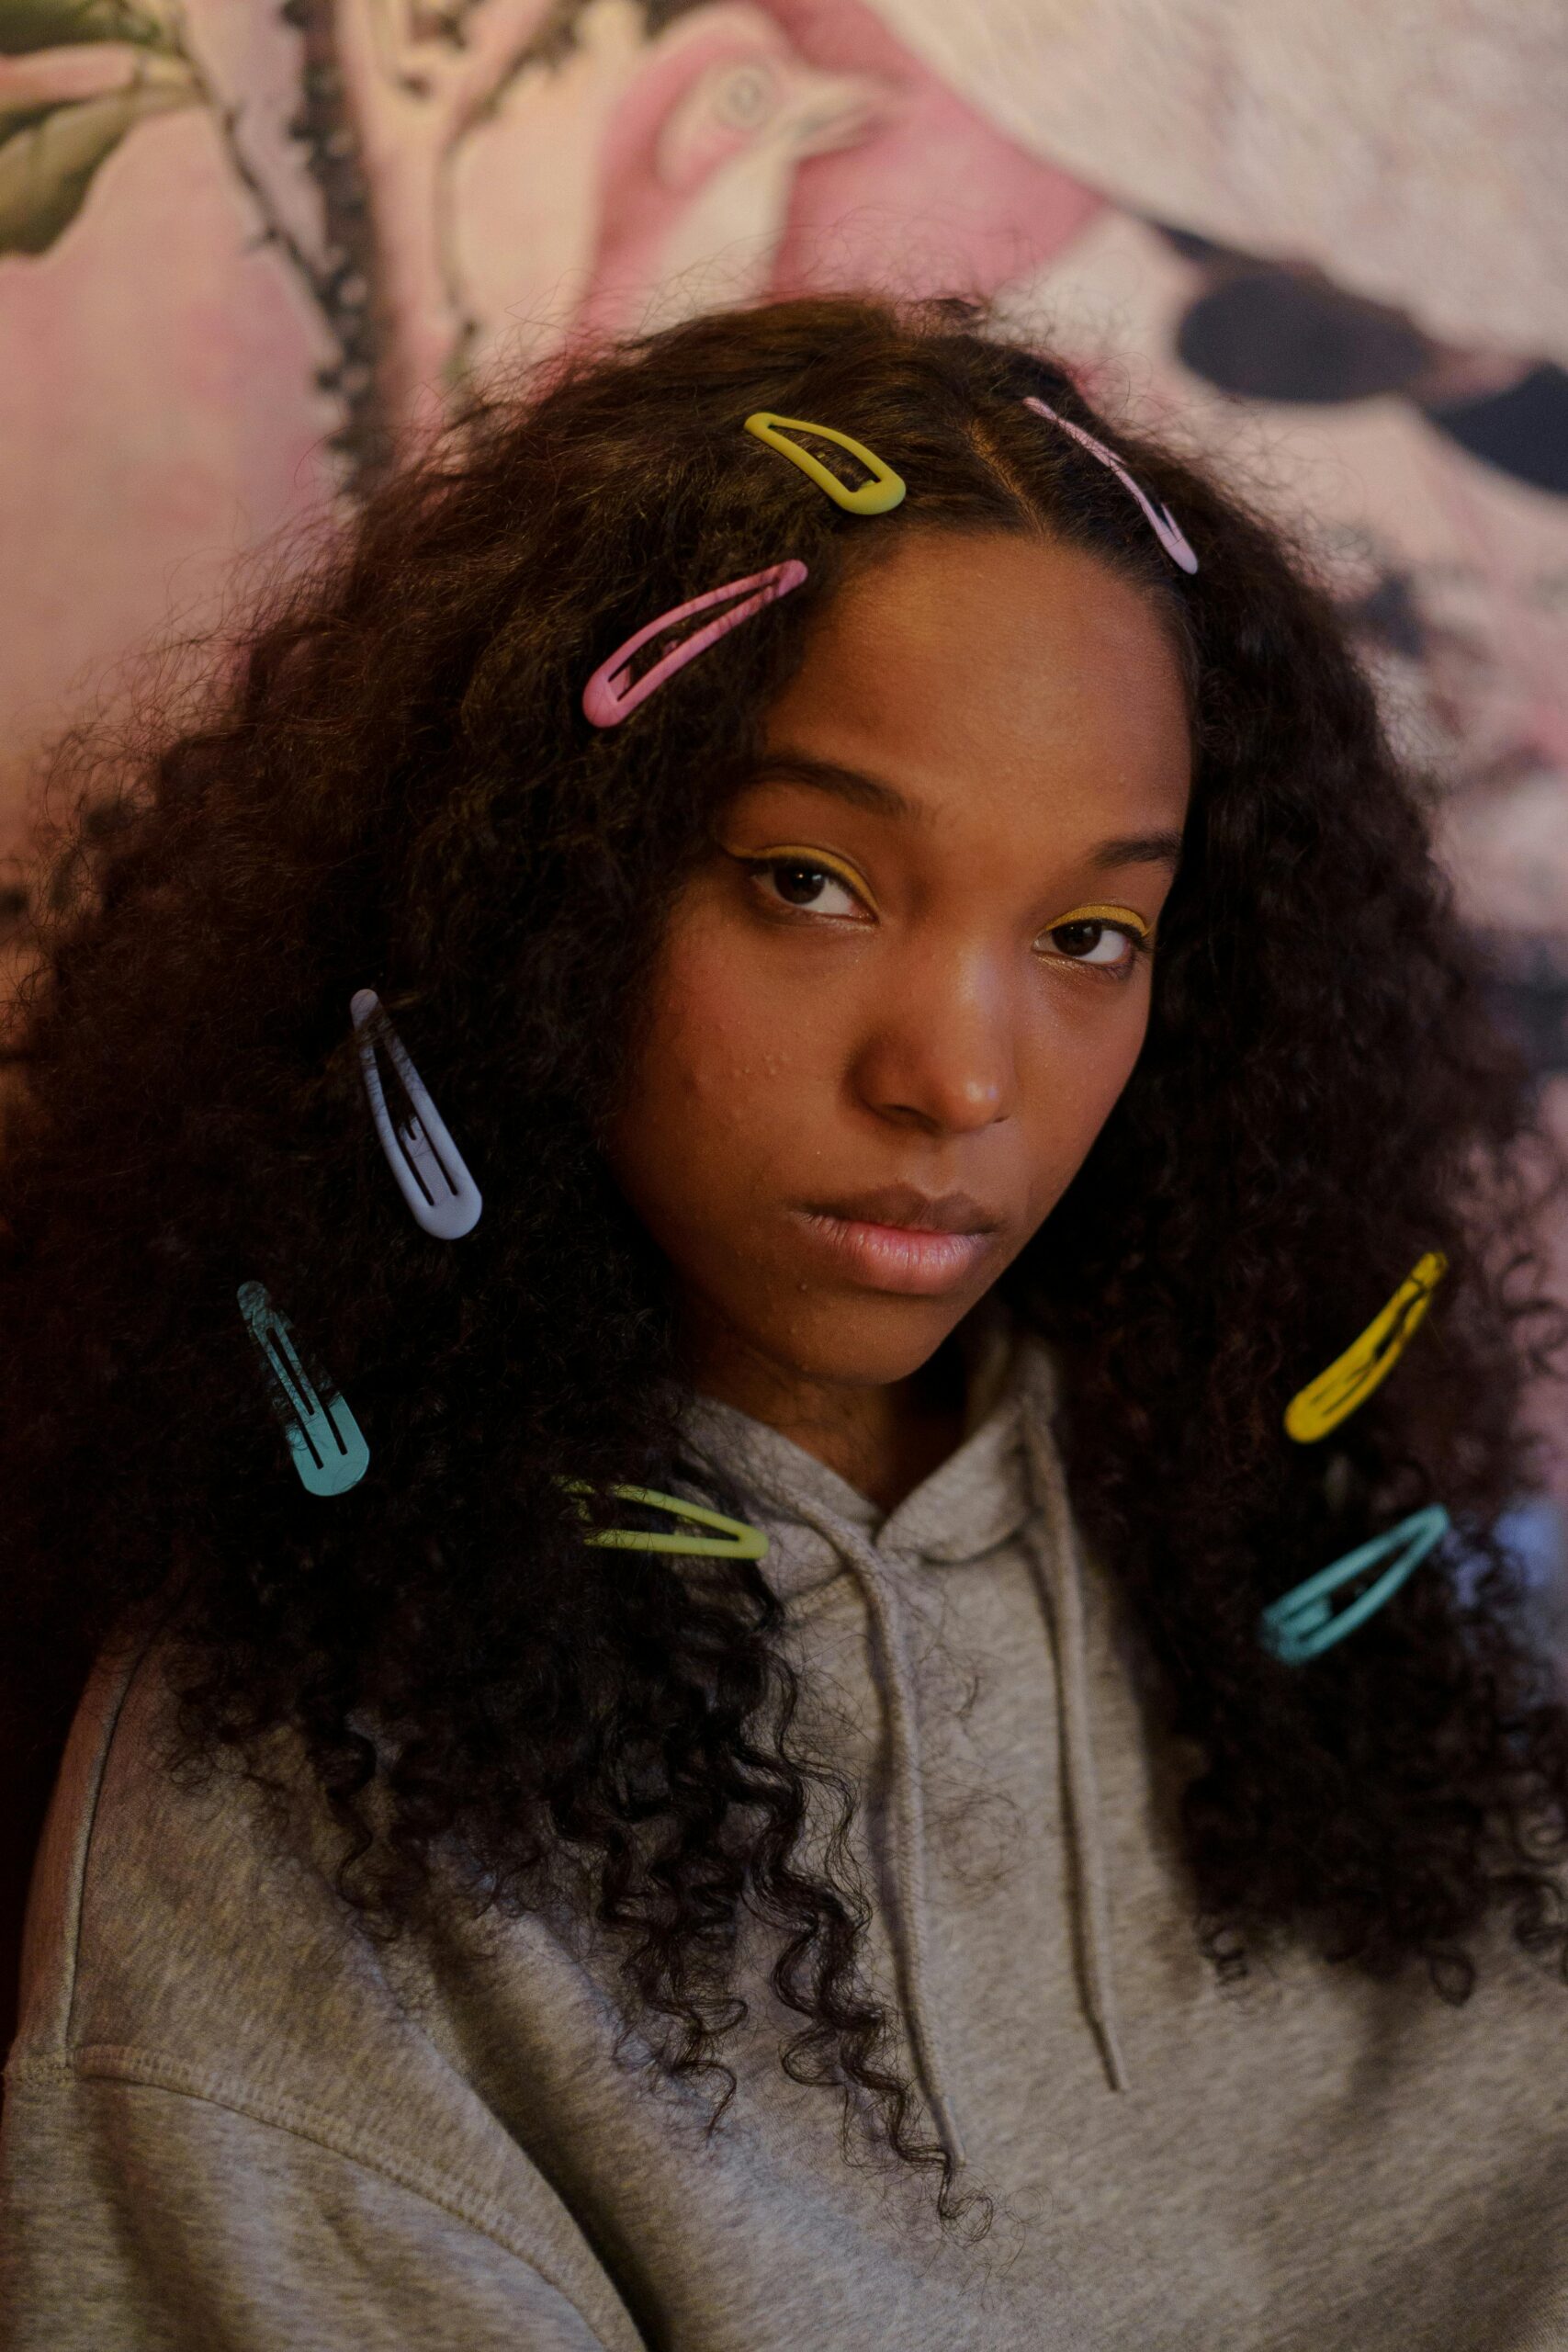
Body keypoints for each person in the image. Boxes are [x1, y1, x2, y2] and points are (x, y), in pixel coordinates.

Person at [1, 294, 1565, 2350]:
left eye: (1089, 933)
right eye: (809, 882)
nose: (956, 1077)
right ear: (532, 888)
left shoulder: (1341, 1598)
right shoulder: (292, 1796)